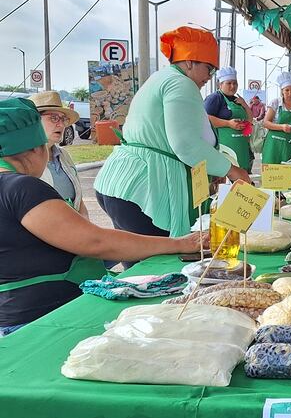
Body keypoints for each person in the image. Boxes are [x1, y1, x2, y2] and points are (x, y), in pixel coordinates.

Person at [0, 98, 206, 336]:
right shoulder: (22, 189)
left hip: (15, 318)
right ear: (36, 148)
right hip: (43, 322)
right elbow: (96, 242)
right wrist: (180, 243)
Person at [95, 27, 251, 241]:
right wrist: (232, 170)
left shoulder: (162, 78)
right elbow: (186, 144)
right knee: (157, 266)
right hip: (145, 190)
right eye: (208, 68)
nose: (209, 76)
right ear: (189, 62)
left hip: (121, 184)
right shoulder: (181, 83)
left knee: (139, 270)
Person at [28, 91, 88, 218]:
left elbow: (79, 200)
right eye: (54, 118)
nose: (61, 124)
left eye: (63, 119)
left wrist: (85, 228)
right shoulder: (23, 161)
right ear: (34, 121)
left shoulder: (63, 155)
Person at [204, 66, 254, 171]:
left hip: (242, 147)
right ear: (220, 84)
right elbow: (205, 118)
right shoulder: (215, 98)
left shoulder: (238, 100)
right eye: (229, 83)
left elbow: (250, 120)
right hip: (224, 148)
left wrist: (244, 104)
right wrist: (228, 123)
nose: (233, 86)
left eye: (235, 83)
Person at [262, 72, 291, 164]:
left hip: (288, 145)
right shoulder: (275, 103)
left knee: (286, 173)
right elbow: (266, 123)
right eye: (287, 90)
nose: (290, 93)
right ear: (282, 91)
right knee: (270, 173)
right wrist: (282, 127)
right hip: (273, 145)